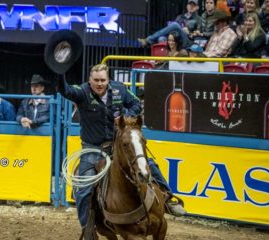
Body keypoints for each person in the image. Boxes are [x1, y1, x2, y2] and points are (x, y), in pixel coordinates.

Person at [57, 63, 186, 231]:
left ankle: (168, 199)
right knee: (83, 189)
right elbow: (65, 90)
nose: (99, 84)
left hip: (118, 145)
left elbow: (136, 104)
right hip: (93, 148)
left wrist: (126, 118)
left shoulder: (120, 89)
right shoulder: (82, 92)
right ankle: (86, 228)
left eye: (103, 80)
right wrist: (60, 73)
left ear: (108, 79)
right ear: (90, 80)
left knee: (150, 165)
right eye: (96, 80)